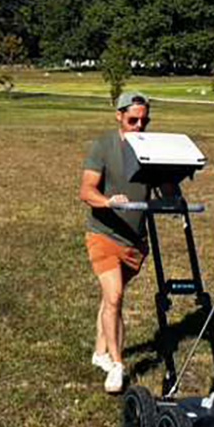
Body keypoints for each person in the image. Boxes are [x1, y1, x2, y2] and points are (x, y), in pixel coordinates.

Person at [79, 92, 152, 393]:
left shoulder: (151, 149)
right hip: (103, 233)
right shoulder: (103, 146)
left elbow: (167, 187)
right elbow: (86, 191)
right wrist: (108, 202)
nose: (138, 126)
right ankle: (118, 366)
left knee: (111, 299)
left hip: (135, 241)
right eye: (132, 120)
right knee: (115, 296)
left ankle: (100, 353)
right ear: (119, 116)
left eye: (144, 121)